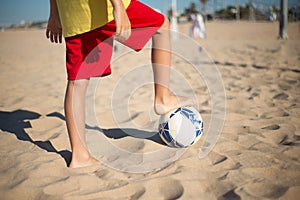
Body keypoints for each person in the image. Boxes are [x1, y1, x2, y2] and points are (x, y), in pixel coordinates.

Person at [46, 0, 192, 168]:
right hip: (102, 7)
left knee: (77, 82)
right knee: (161, 27)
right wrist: (119, 6)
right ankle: (163, 97)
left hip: (72, 14)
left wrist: (54, 14)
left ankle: (79, 155)